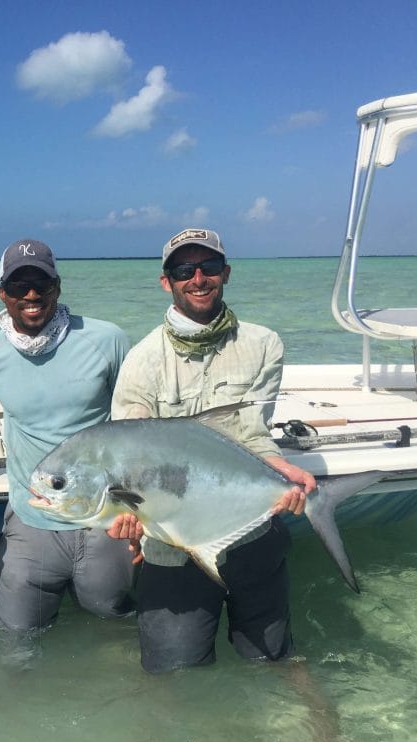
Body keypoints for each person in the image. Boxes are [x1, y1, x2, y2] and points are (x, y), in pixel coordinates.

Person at [108, 227, 315, 674]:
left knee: (276, 662)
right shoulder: (141, 361)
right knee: (171, 673)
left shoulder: (264, 345)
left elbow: (252, 434)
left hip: (251, 535)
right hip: (173, 548)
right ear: (167, 281)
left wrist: (278, 469)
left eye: (209, 267)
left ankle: (322, 736)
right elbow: (129, 460)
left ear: (227, 273)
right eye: (184, 269)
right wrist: (129, 517)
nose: (198, 278)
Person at [0, 238, 136, 638]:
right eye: (17, 286)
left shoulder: (107, 340)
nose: (30, 295)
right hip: (33, 515)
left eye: (41, 284)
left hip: (103, 515)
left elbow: (137, 417)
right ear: (2, 294)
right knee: (16, 636)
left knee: (114, 618)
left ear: (57, 287)